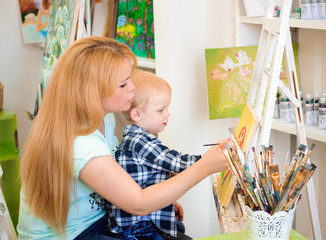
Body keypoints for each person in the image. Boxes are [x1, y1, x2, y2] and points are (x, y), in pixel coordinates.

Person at [17, 36, 228, 239]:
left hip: (102, 219)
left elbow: (125, 182)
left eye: (129, 79)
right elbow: (139, 202)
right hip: (75, 234)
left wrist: (162, 200)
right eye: (123, 84)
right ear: (92, 92)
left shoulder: (105, 120)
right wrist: (205, 167)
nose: (132, 87)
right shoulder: (81, 143)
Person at [108, 70, 201, 239]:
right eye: (161, 110)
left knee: (179, 228)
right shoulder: (140, 142)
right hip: (140, 227)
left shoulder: (136, 137)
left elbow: (150, 178)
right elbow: (177, 162)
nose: (168, 114)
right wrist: (208, 160)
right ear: (137, 114)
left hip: (146, 218)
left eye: (167, 108)